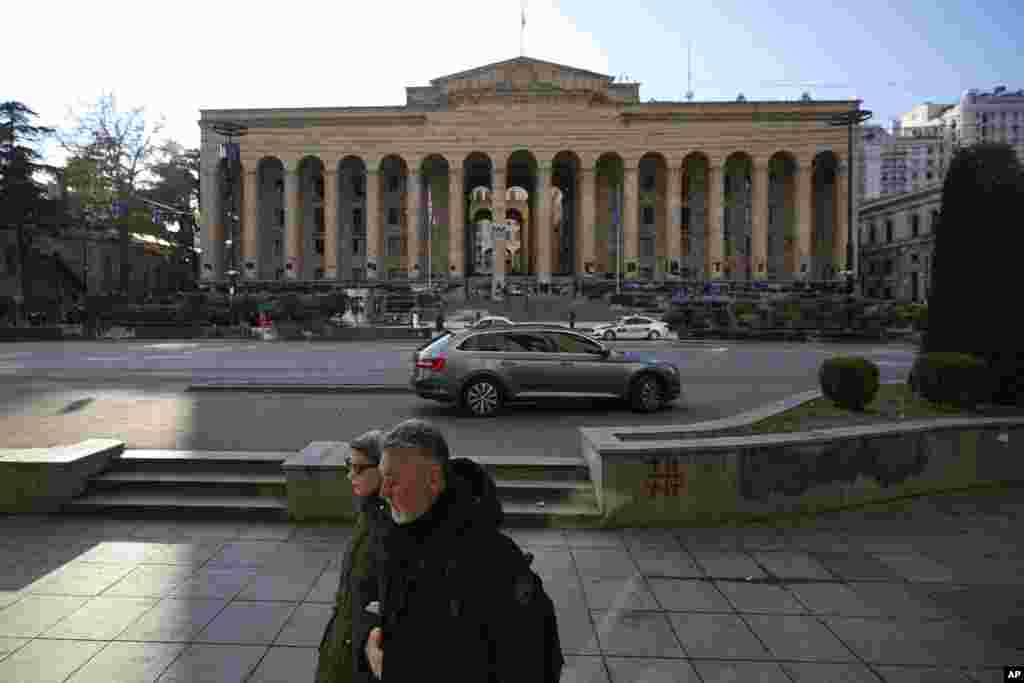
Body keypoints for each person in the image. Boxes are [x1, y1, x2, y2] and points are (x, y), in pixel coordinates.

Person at [352, 419, 562, 683]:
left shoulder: (494, 562)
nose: (382, 492)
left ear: (434, 480)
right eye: (382, 478)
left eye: (393, 480)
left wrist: (394, 671)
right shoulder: (393, 539)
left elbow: (532, 666)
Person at [315, 429, 386, 683]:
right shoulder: (368, 515)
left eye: (358, 468)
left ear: (383, 469)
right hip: (342, 641)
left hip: (361, 653)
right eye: (349, 466)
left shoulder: (392, 525)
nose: (350, 476)